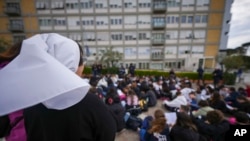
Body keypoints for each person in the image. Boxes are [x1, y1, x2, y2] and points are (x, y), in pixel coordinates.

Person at [0, 33, 117, 141]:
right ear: (71, 63)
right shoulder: (90, 103)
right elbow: (107, 133)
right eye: (80, 61)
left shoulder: (30, 100)